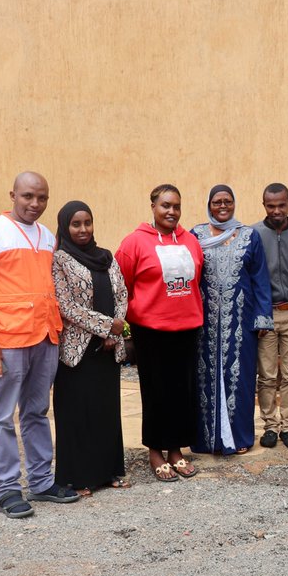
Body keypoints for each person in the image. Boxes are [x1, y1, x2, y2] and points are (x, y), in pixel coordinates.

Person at [0, 171, 79, 517]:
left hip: (45, 337)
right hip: (8, 341)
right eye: (28, 196)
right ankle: (7, 489)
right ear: (13, 194)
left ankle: (42, 481)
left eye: (42, 198)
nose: (35, 204)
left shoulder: (47, 236)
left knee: (36, 412)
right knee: (1, 417)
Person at [116, 184, 205, 482]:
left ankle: (176, 450)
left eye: (176, 206)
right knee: (156, 392)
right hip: (151, 331)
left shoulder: (190, 241)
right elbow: (121, 285)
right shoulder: (134, 243)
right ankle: (155, 450)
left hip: (186, 328)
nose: (171, 211)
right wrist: (132, 317)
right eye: (165, 205)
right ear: (153, 206)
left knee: (182, 392)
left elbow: (196, 280)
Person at [51, 200, 129, 496]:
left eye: (87, 223)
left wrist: (116, 328)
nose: (83, 229)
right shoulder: (60, 259)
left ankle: (109, 471)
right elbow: (66, 306)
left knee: (105, 411)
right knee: (78, 413)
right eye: (76, 224)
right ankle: (79, 477)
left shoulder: (106, 256)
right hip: (77, 352)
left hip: (108, 350)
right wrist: (107, 326)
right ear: (65, 227)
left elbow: (122, 291)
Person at [191, 185, 273, 455]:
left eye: (227, 201)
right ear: (209, 204)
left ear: (234, 203)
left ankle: (238, 438)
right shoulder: (196, 235)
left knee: (241, 377)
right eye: (217, 202)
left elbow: (260, 278)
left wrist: (262, 318)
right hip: (204, 321)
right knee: (203, 376)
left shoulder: (250, 235)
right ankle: (205, 439)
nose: (222, 206)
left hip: (241, 319)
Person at [254, 182, 288, 451]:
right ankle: (269, 425)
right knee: (266, 374)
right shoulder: (253, 234)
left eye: (281, 205)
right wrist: (258, 315)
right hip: (265, 314)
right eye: (271, 205)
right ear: (264, 205)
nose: (276, 210)